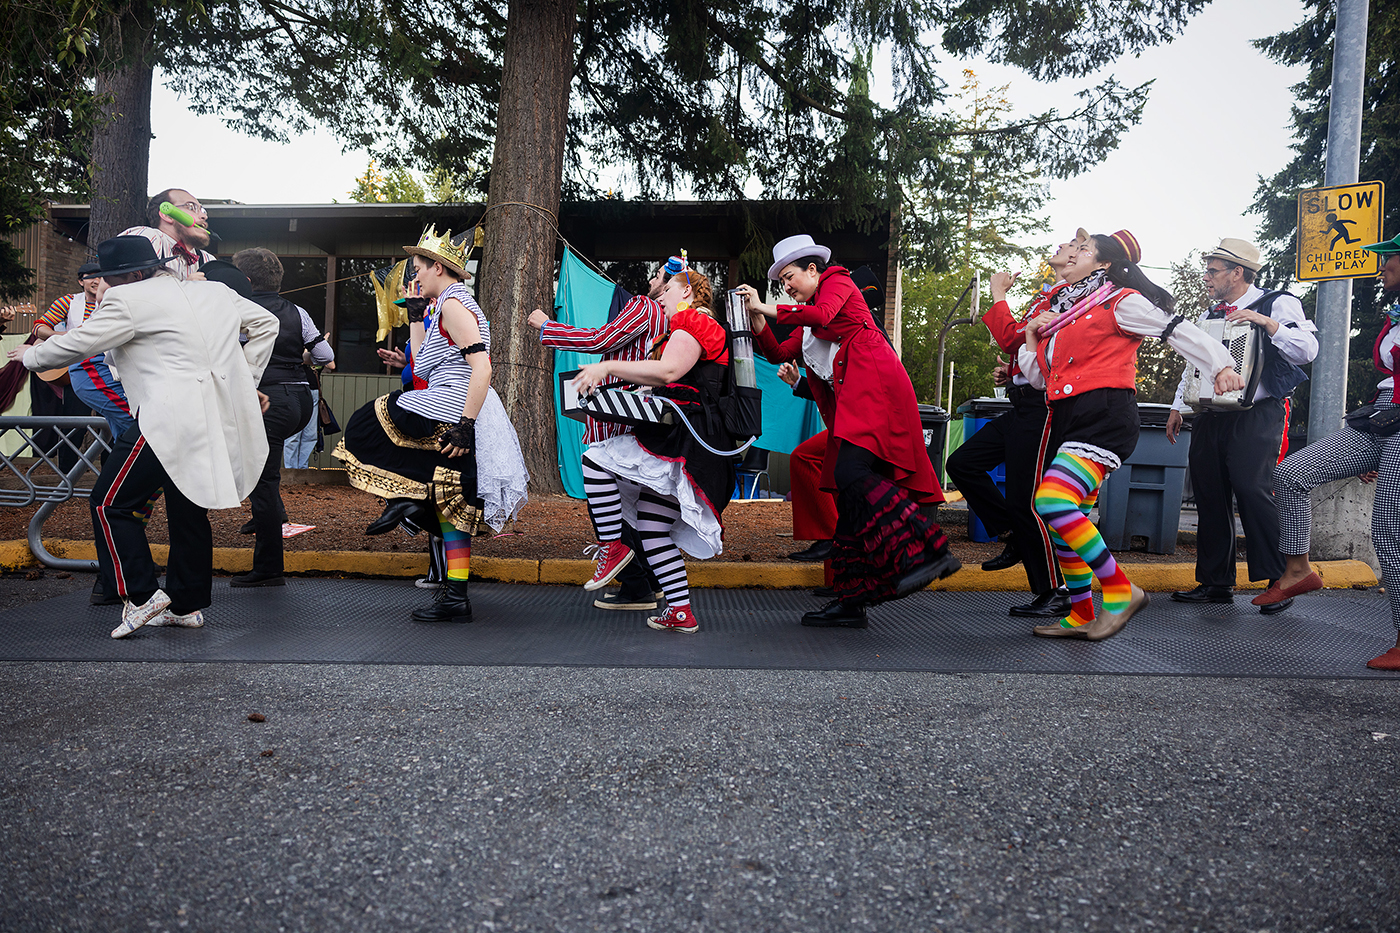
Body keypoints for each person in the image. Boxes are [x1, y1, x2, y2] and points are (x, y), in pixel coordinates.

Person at [10, 235, 278, 638]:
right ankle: (186, 606)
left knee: (109, 504)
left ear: (134, 274)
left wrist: (28, 356)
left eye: (114, 279)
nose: (109, 287)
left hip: (166, 417)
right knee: (188, 509)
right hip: (213, 416)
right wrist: (244, 379)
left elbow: (79, 342)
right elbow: (266, 323)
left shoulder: (127, 299)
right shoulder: (215, 292)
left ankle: (141, 595)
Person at [1019, 230, 1242, 641]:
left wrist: (1220, 365)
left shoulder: (1119, 301)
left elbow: (1175, 329)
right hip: (1071, 418)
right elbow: (1038, 378)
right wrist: (1034, 335)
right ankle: (1082, 613)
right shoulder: (1067, 314)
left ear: (1103, 264)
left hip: (1105, 416)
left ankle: (1122, 591)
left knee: (1052, 502)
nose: (1074, 252)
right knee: (1066, 521)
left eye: (1083, 249)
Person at [737, 235, 959, 629]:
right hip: (853, 400)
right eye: (781, 282)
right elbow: (778, 354)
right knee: (849, 500)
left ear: (812, 269)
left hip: (874, 383)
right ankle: (852, 600)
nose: (786, 286)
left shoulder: (838, 282)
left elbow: (823, 315)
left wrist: (766, 307)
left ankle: (928, 547)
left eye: (789, 277)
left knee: (850, 474)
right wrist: (758, 322)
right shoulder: (805, 320)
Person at [334, 226, 528, 624]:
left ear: (438, 267)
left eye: (418, 268)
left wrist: (466, 425)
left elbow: (482, 367)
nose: (413, 276)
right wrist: (416, 314)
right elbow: (421, 365)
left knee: (367, 424)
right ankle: (455, 594)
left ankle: (406, 503)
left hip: (455, 406)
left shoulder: (456, 305)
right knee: (451, 505)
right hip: (446, 401)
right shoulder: (441, 306)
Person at [569, 261, 736, 634]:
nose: (659, 299)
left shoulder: (694, 322)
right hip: (691, 438)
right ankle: (680, 610)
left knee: (596, 457)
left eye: (666, 292)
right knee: (651, 524)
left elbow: (668, 373)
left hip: (686, 439)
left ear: (687, 292)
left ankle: (612, 545)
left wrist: (605, 367)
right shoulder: (692, 325)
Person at [1259, 232, 1400, 671]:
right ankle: (1299, 571)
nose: (1382, 267)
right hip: (1381, 415)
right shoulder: (1394, 314)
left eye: (1389, 260)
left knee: (1389, 528)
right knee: (1291, 474)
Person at [1165, 238, 1318, 613]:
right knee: (1209, 493)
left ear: (1237, 273)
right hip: (1210, 413)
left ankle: (1279, 579)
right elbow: (1194, 364)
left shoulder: (1276, 302)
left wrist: (1265, 322)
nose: (1206, 277)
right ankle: (1215, 582)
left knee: (1253, 488)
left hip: (1258, 411)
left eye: (1213, 270)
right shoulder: (1209, 314)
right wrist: (1178, 406)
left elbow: (1308, 350)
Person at [947, 230, 1088, 620]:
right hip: (1021, 405)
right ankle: (1013, 534)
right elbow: (1030, 351)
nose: (1061, 247)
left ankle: (1056, 591)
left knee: (1029, 500)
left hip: (1042, 411)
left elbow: (1013, 338)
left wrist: (997, 294)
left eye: (1072, 246)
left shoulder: (1070, 299)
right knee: (962, 464)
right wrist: (1012, 374)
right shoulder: (1049, 294)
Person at [529, 260, 669, 611]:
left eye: (658, 277)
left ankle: (636, 583)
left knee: (606, 502)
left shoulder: (644, 306)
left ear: (666, 284)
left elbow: (599, 339)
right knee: (634, 503)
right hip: (646, 415)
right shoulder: (672, 320)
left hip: (616, 415)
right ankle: (650, 582)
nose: (652, 280)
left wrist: (547, 326)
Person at [223, 249, 336, 587]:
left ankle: (269, 568)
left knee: (263, 480)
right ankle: (268, 516)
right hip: (301, 401)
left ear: (244, 280)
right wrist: (297, 354)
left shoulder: (237, 311)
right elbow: (324, 356)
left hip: (267, 403)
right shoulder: (297, 311)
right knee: (260, 474)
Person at [31, 262, 136, 439]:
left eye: (100, 276)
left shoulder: (113, 303)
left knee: (114, 423)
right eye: (91, 277)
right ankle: (66, 467)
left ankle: (109, 465)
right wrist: (62, 336)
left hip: (112, 370)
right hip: (77, 370)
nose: (97, 281)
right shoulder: (68, 302)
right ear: (81, 281)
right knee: (74, 426)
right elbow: (38, 327)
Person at [120, 189, 216, 280]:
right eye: (191, 207)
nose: (204, 216)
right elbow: (111, 288)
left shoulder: (207, 260)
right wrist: (186, 288)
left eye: (202, 210)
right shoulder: (148, 238)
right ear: (167, 215)